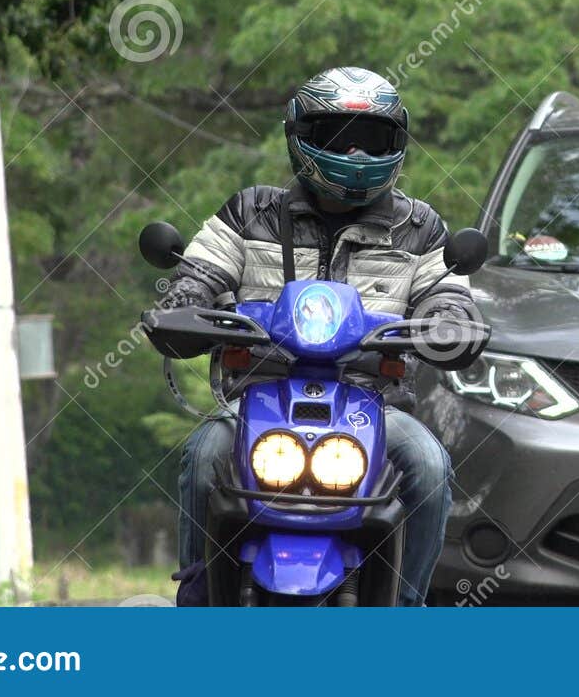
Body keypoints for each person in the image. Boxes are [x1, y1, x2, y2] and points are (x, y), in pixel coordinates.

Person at [160, 66, 476, 605]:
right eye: (338, 138)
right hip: (257, 402)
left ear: (396, 145)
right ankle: (199, 598)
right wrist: (181, 304)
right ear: (300, 138)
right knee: (204, 448)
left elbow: (450, 295)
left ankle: (405, 610)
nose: (355, 155)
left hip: (372, 407)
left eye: (371, 140)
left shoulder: (421, 229)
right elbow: (198, 273)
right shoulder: (249, 213)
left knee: (427, 463)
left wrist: (450, 320)